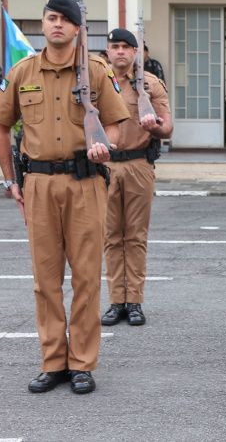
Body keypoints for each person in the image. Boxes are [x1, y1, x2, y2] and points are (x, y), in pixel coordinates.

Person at [0, 0, 129, 394]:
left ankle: (81, 363)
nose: (57, 25)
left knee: (85, 277)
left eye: (65, 20)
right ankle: (53, 362)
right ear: (43, 25)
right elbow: (1, 126)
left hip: (86, 182)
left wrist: (106, 145)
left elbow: (116, 123)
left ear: (77, 28)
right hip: (39, 185)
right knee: (45, 280)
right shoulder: (21, 72)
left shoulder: (95, 72)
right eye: (51, 18)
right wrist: (11, 180)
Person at [100, 28, 173, 328]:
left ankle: (135, 302)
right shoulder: (97, 83)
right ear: (107, 51)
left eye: (126, 47)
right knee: (110, 238)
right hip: (104, 166)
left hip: (138, 164)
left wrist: (153, 125)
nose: (120, 51)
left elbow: (168, 129)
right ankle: (116, 301)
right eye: (114, 46)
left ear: (136, 52)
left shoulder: (150, 84)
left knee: (136, 237)